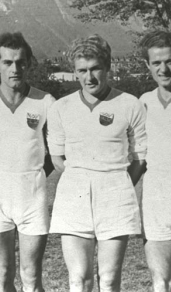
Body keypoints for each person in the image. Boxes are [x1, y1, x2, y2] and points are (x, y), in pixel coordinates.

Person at [47, 34, 147, 292]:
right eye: (82, 70)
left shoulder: (130, 104)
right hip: (74, 195)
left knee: (110, 279)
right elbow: (57, 158)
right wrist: (81, 179)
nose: (89, 77)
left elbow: (140, 157)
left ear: (108, 67)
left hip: (116, 194)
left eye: (95, 69)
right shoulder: (61, 107)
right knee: (78, 278)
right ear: (75, 72)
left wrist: (118, 182)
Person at [0, 32, 55, 292]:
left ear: (29, 63)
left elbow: (54, 154)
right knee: (2, 274)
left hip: (33, 195)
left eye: (21, 62)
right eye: (8, 62)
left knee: (31, 276)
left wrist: (33, 175)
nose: (15, 68)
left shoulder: (45, 102)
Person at [139, 30, 171, 292]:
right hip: (156, 203)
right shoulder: (143, 104)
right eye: (157, 62)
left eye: (169, 60)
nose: (164, 68)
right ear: (148, 65)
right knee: (160, 284)